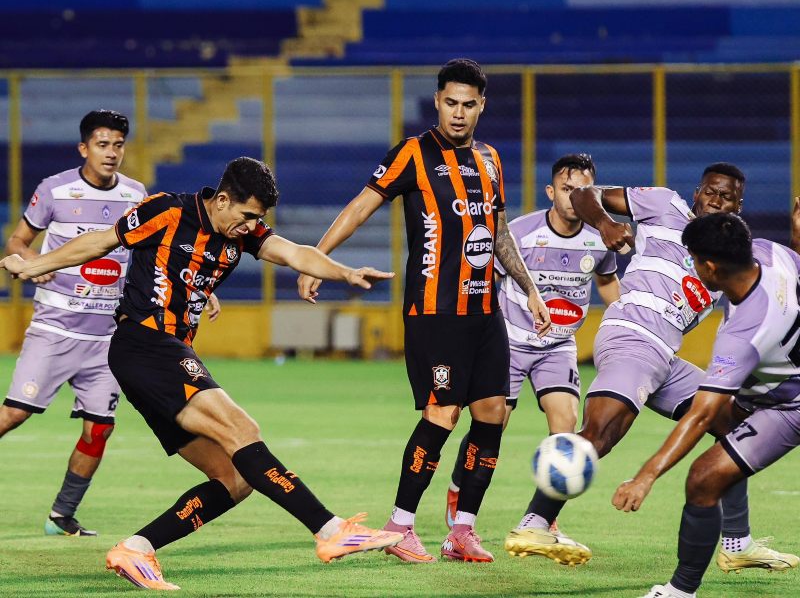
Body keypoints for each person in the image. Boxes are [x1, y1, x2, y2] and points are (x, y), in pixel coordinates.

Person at [0, 156, 404, 590]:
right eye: (248, 216)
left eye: (259, 219)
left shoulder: (243, 233)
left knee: (234, 478)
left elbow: (292, 252)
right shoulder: (168, 211)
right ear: (223, 199)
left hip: (160, 356)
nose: (251, 226)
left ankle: (136, 549)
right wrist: (32, 266)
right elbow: (100, 242)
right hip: (145, 343)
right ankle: (330, 531)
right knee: (242, 428)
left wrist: (343, 271)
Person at [297, 58, 551, 564]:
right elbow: (359, 206)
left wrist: (530, 290)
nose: (458, 114)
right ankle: (401, 526)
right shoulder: (413, 153)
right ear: (437, 101)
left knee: (492, 415)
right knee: (442, 414)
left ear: (482, 106)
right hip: (435, 311)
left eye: (469, 105)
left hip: (484, 311)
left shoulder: (491, 159)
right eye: (450, 103)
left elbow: (498, 234)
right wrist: (318, 261)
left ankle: (462, 531)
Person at [506, 164, 798, 571]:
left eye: (727, 196)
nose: (716, 200)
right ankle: (535, 523)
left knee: (733, 429)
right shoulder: (663, 204)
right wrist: (607, 224)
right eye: (711, 192)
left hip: (666, 355)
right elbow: (582, 194)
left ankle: (737, 543)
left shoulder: (729, 252)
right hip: (633, 335)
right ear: (697, 193)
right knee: (602, 433)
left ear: (738, 206)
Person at [0, 110, 195, 537]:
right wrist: (36, 263)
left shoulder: (136, 193)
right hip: (56, 329)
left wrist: (200, 286)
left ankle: (61, 516)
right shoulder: (54, 189)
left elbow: (157, 252)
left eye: (119, 145)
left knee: (99, 428)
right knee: (13, 414)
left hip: (109, 337)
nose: (112, 153)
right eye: (103, 145)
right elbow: (17, 241)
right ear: (84, 148)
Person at [613, 213, 800, 598]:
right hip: (771, 388)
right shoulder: (774, 253)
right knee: (715, 462)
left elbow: (702, 414)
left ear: (711, 267)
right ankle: (737, 545)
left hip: (787, 405)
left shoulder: (745, 332)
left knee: (703, 477)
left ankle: (681, 591)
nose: (692, 267)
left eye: (694, 260)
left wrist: (645, 476)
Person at [443, 154, 620, 538]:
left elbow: (606, 282)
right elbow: (483, 279)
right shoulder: (520, 233)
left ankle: (544, 517)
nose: (574, 198)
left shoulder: (599, 237)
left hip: (558, 346)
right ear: (550, 191)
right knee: (492, 425)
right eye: (567, 189)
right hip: (507, 342)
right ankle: (458, 488)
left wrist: (625, 318)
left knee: (566, 425)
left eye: (584, 191)